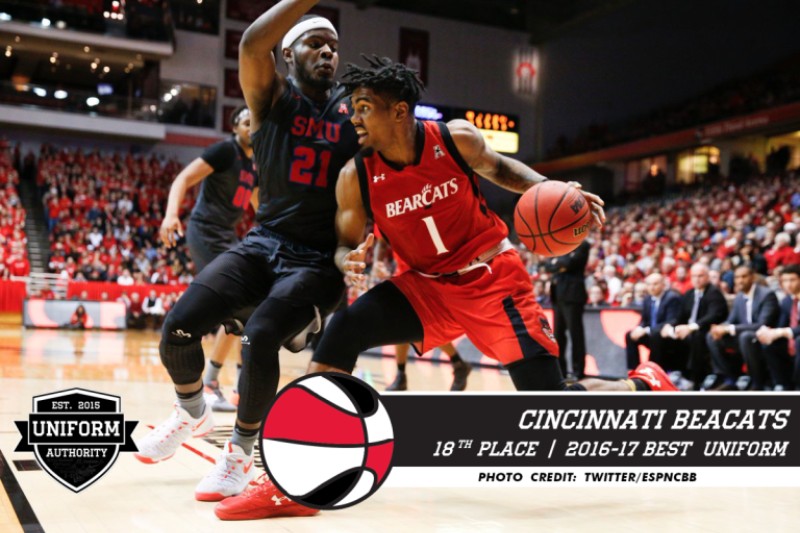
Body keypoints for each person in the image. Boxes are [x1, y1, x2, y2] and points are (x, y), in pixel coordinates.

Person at [218, 54, 678, 522]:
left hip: (493, 279)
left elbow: (501, 169)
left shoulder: (455, 139)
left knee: (551, 405)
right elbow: (343, 244)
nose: (353, 117)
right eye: (352, 108)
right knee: (344, 330)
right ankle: (297, 478)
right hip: (428, 288)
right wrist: (347, 260)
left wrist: (553, 187)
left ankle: (641, 384)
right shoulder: (356, 176)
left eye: (364, 107)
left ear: (399, 111)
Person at [135, 1, 358, 516]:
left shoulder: (352, 109)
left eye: (333, 46)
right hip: (264, 241)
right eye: (315, 43)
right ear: (288, 54)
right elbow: (252, 44)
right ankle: (191, 409)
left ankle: (238, 453)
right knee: (178, 327)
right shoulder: (271, 96)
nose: (328, 51)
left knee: (260, 337)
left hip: (317, 259)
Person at [159, 105, 258, 412]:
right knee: (236, 304)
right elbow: (183, 179)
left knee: (247, 308)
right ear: (234, 127)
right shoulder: (224, 151)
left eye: (255, 121)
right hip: (204, 231)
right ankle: (213, 384)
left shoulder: (255, 164)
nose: (251, 125)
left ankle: (237, 387)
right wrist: (171, 215)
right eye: (245, 121)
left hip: (227, 235)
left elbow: (262, 208)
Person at [705, 264, 779, 390]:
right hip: (743, 337)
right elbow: (731, 321)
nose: (740, 280)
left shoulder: (767, 294)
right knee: (711, 336)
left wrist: (729, 329)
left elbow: (762, 324)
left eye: (744, 276)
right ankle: (731, 378)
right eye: (737, 277)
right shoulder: (739, 296)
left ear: (752, 277)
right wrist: (720, 328)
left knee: (745, 337)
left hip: (764, 336)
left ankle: (757, 382)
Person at [671, 263, 729, 389]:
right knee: (667, 334)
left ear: (707, 277)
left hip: (706, 330)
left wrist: (691, 327)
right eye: (694, 276)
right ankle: (671, 373)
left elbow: (714, 316)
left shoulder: (714, 293)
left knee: (696, 336)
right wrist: (672, 327)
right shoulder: (689, 294)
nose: (697, 279)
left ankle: (694, 379)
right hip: (689, 330)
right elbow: (680, 316)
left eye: (700, 276)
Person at [546, 240, 590, 378]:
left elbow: (570, 263)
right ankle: (561, 371)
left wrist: (557, 262)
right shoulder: (559, 245)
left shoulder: (582, 244)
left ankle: (578, 371)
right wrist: (559, 264)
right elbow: (548, 265)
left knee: (575, 334)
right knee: (558, 335)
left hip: (573, 296)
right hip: (557, 295)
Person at [754, 263, 800, 390]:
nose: (788, 284)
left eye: (792, 280)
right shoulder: (787, 301)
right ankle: (781, 384)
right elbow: (781, 324)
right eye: (785, 280)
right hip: (792, 341)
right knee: (769, 344)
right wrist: (769, 332)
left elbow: (785, 330)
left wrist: (782, 332)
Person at [625, 273, 682, 371]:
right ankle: (633, 369)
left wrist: (647, 330)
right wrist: (639, 328)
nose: (652, 287)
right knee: (630, 335)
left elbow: (672, 321)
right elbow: (644, 320)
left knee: (655, 335)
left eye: (655, 284)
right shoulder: (647, 299)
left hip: (666, 337)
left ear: (663, 285)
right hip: (651, 333)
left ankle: (652, 370)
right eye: (649, 284)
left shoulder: (672, 298)